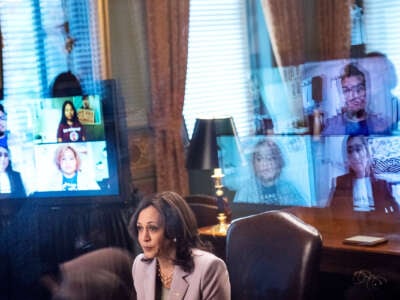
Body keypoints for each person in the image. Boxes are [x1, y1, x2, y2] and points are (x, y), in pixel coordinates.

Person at [128, 191, 230, 300]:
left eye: (153, 228)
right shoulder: (140, 265)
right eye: (140, 228)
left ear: (173, 229)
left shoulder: (209, 268)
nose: (144, 238)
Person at [329, 135, 399, 214]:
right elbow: (333, 214)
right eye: (349, 151)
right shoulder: (341, 183)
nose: (355, 156)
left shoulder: (381, 184)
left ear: (367, 153)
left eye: (358, 149)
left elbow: (396, 215)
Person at [322, 63, 392, 135]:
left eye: (359, 89)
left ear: (366, 91)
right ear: (341, 94)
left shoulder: (381, 125)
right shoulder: (332, 126)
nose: (354, 96)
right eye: (346, 90)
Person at [233, 138, 306, 205]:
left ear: (279, 162)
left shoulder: (290, 189)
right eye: (259, 159)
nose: (265, 164)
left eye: (270, 158)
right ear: (253, 164)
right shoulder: (245, 192)